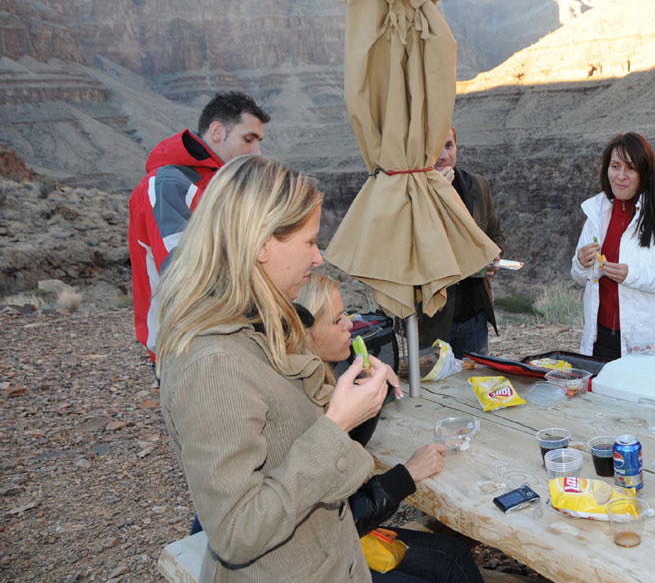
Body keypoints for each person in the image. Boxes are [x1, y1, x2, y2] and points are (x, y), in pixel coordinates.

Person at [156, 156, 397, 582]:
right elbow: (236, 530)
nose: (319, 257)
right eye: (309, 242)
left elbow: (284, 434)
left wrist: (350, 396)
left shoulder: (260, 324)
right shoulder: (212, 364)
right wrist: (338, 423)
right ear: (262, 242)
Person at [297, 274, 485, 583]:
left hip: (338, 534)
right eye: (336, 320)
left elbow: (349, 453)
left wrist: (373, 394)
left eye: (346, 315)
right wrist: (406, 475)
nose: (349, 325)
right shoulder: (297, 403)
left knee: (453, 555)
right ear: (304, 332)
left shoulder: (324, 377)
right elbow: (334, 518)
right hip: (315, 558)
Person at [128, 91, 270, 359]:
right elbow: (185, 273)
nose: (256, 152)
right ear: (217, 131)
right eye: (248, 139)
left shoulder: (220, 185)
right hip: (185, 344)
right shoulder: (168, 186)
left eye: (258, 142)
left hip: (228, 335)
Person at [571, 132, 655, 361]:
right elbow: (580, 278)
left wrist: (633, 275)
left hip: (651, 343)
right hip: (600, 339)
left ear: (644, 172)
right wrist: (581, 263)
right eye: (615, 166)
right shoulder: (596, 212)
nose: (621, 176)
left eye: (630, 168)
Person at [418, 125, 505, 358]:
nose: (443, 155)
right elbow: (415, 247)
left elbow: (496, 235)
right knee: (433, 392)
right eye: (435, 147)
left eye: (448, 145)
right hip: (432, 321)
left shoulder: (478, 185)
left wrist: (493, 257)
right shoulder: (413, 193)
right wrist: (437, 195)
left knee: (474, 385)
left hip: (474, 316)